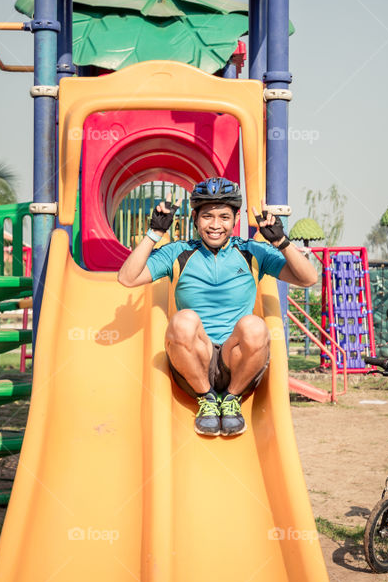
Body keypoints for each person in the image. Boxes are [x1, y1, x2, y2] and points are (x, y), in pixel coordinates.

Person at [117, 177, 317, 436]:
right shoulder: (178, 252)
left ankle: (231, 399)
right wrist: (154, 234)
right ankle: (208, 399)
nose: (215, 225)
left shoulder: (251, 251)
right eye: (207, 216)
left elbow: (308, 278)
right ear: (195, 219)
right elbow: (127, 278)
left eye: (224, 217)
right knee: (183, 320)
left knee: (254, 325)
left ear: (235, 220)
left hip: (238, 364)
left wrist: (281, 242)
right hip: (193, 362)